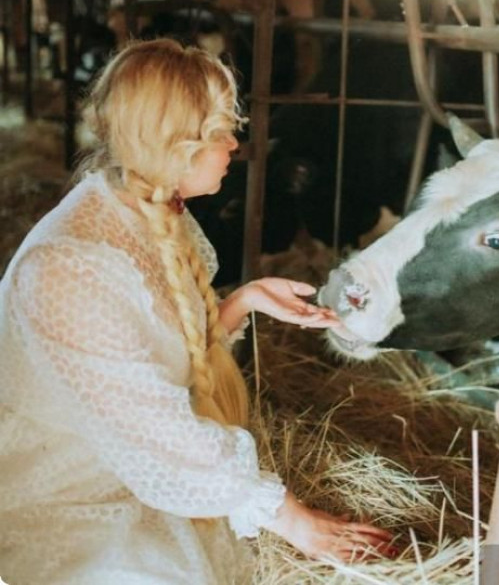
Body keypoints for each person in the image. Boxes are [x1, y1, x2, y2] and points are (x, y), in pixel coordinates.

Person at [0, 39, 397, 584]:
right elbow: (154, 427)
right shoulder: (66, 270)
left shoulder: (151, 208)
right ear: (172, 145)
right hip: (66, 486)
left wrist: (245, 299)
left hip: (132, 459)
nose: (235, 144)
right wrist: (292, 520)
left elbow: (166, 363)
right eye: (218, 132)